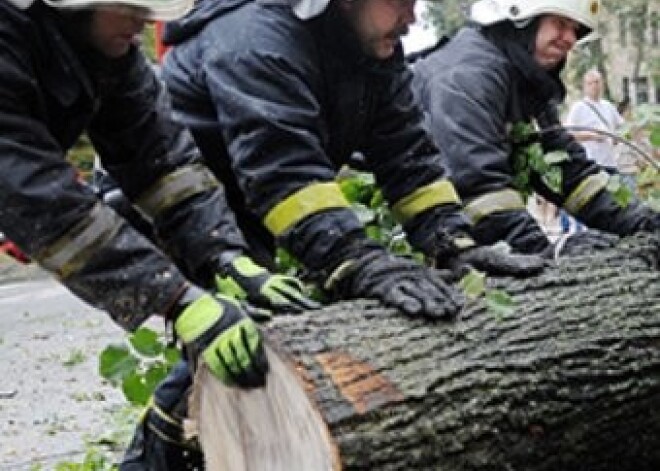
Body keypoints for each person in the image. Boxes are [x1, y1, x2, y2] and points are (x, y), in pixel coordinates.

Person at [0, 0, 321, 469]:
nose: (146, 20)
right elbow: (43, 206)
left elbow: (165, 166)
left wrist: (226, 258)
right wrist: (176, 299)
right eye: (130, 6)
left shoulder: (108, 54)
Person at [159, 0, 546, 324]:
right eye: (400, 1)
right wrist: (354, 259)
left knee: (249, 338)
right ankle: (170, 417)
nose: (410, 19)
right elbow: (284, 173)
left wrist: (454, 242)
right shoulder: (255, 38)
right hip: (179, 209)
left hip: (245, 208)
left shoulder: (370, 50)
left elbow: (408, 158)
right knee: (231, 331)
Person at [411, 0, 660, 257]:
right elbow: (478, 190)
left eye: (575, 30)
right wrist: (545, 252)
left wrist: (642, 222)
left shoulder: (523, 82)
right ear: (521, 21)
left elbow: (567, 172)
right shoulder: (465, 77)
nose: (570, 39)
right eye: (560, 24)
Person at [565, 68, 625, 173]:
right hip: (591, 162)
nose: (594, 86)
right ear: (585, 86)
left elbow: (622, 127)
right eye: (590, 83)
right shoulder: (579, 107)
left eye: (597, 82)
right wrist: (592, 136)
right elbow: (569, 134)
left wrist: (617, 137)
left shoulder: (608, 106)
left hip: (610, 162)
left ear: (602, 84)